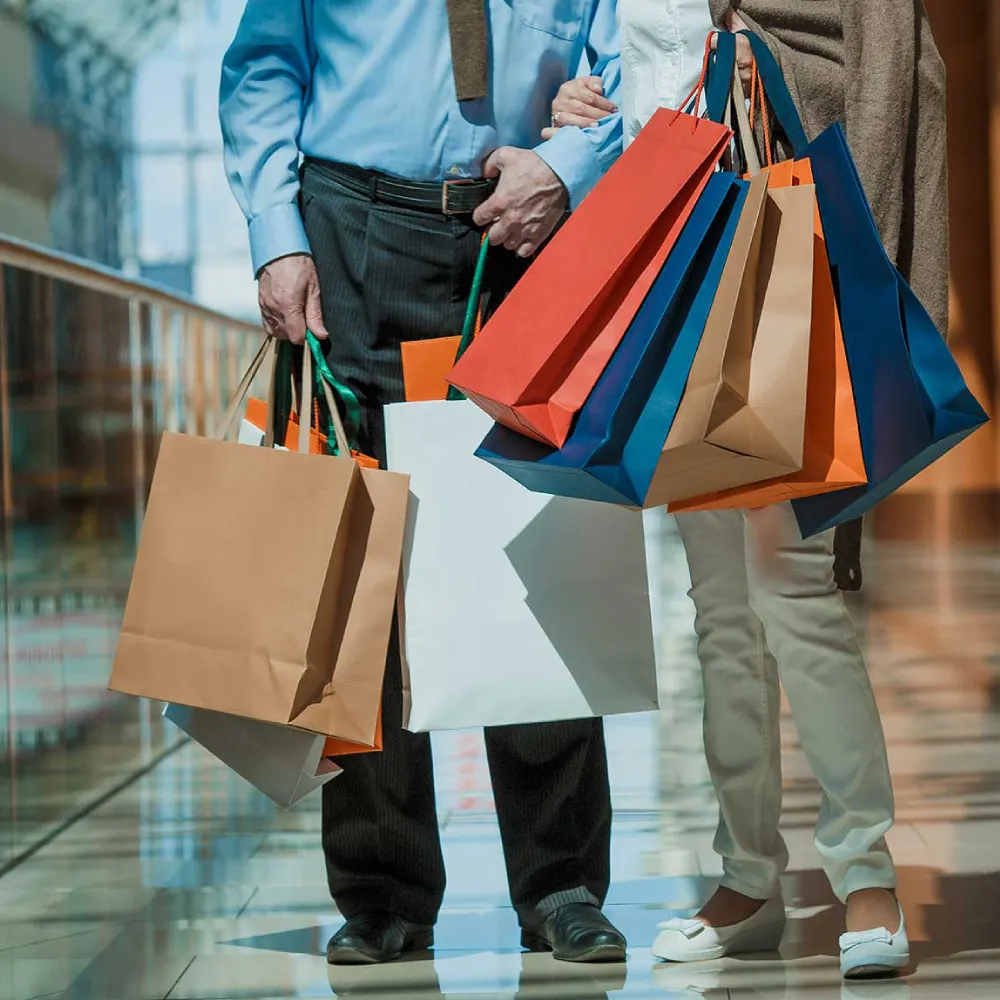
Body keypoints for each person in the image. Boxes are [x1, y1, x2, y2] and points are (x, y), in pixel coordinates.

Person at [219, 0, 628, 968]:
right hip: (353, 231)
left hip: (522, 239)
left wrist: (570, 169)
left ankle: (561, 880)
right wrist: (277, 234)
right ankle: (384, 891)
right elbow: (263, 69)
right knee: (362, 573)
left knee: (535, 556)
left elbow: (637, 69)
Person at [548, 0, 948, 979]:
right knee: (719, 606)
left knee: (788, 588)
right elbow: (631, 73)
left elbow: (896, 70)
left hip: (784, 240)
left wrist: (862, 251)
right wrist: (583, 110)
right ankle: (748, 874)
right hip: (671, 262)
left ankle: (861, 869)